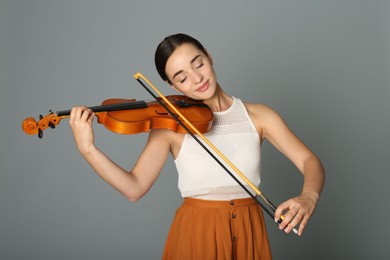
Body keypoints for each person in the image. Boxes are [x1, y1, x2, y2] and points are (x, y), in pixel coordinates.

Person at [69, 33, 325, 259]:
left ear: (209, 57)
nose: (197, 78)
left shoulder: (260, 116)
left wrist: (308, 196)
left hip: (250, 230)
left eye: (198, 63)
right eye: (181, 77)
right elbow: (134, 188)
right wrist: (88, 150)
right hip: (197, 234)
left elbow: (309, 161)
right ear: (172, 86)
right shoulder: (170, 126)